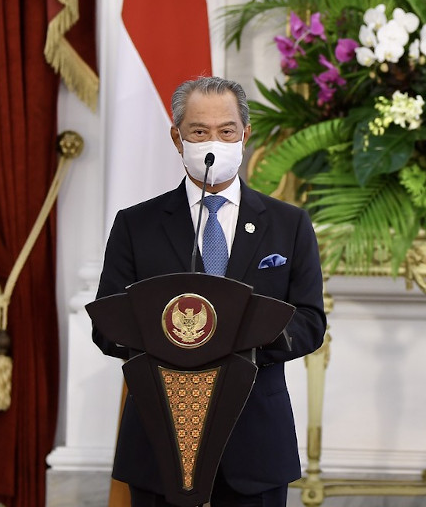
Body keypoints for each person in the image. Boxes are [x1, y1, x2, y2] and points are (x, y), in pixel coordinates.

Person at [92, 76, 327, 507]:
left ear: (245, 135)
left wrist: (236, 343)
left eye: (226, 130)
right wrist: (175, 342)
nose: (213, 142)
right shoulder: (136, 225)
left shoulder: (289, 224)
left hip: (255, 439)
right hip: (159, 436)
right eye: (199, 131)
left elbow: (310, 323)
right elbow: (108, 325)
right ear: (177, 138)